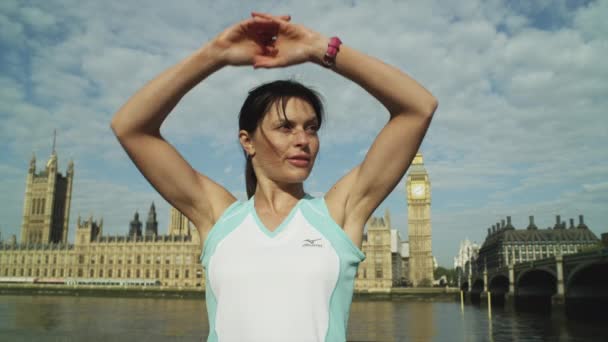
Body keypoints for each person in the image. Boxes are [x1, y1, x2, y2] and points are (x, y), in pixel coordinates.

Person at [110, 11, 437, 342]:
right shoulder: (218, 217)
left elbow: (418, 107)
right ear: (247, 141)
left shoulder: (338, 215)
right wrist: (215, 55)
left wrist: (319, 48)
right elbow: (130, 127)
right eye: (285, 127)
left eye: (311, 128)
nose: (303, 140)